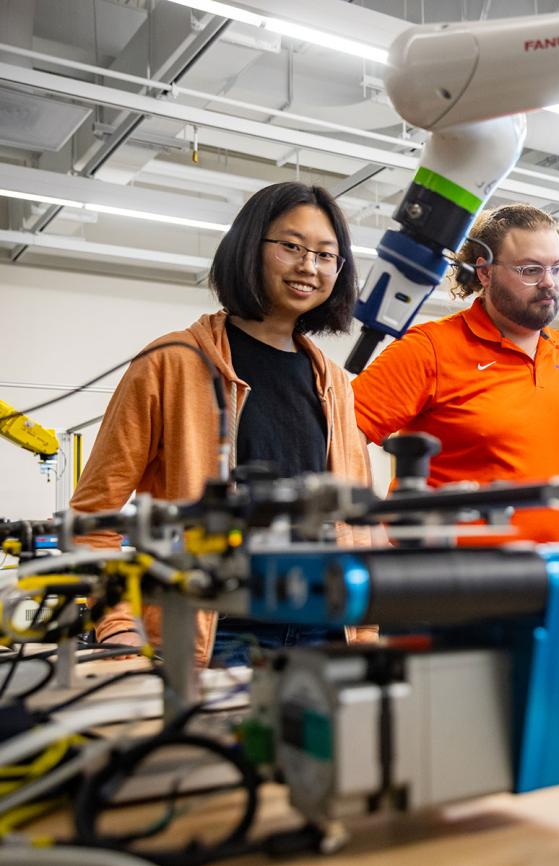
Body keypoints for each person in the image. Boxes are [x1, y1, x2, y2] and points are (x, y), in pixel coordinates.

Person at [350, 202, 559, 795]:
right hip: (442, 593)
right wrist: (360, 534)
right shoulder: (429, 350)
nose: (550, 285)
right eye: (531, 270)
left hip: (546, 590)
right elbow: (338, 435)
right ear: (483, 271)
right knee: (458, 765)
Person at [73, 182, 378, 668]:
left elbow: (357, 525)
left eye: (326, 255)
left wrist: (364, 631)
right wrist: (116, 624)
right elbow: (93, 518)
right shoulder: (170, 363)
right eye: (292, 247)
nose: (309, 266)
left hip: (324, 625)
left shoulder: (334, 383)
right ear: (249, 247)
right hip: (218, 631)